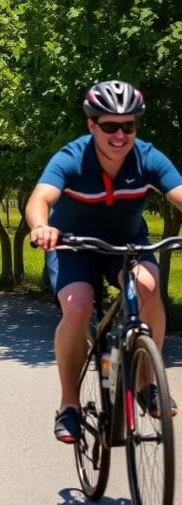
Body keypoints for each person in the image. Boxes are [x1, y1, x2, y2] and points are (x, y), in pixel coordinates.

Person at [26, 80, 182, 444]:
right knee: (78, 307)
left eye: (128, 125)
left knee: (148, 287)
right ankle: (69, 405)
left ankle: (147, 382)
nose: (120, 134)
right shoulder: (71, 158)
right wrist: (41, 227)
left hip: (127, 244)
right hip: (71, 246)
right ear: (92, 125)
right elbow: (40, 199)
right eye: (109, 125)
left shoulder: (149, 157)